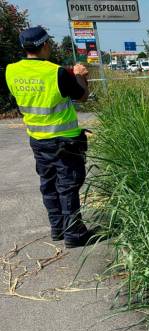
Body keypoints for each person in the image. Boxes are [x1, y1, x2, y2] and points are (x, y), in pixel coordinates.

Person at [4, 26, 95, 248]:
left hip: (37, 139)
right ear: (45, 44)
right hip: (65, 139)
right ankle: (74, 233)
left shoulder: (11, 71)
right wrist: (82, 76)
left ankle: (58, 229)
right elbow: (82, 97)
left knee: (49, 184)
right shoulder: (56, 73)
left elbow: (35, 79)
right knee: (68, 185)